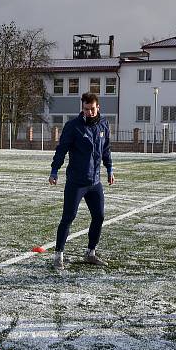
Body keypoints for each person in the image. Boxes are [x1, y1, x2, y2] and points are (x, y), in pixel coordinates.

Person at [49, 92, 114, 270]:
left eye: (92, 109)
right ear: (82, 108)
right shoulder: (73, 126)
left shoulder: (104, 125)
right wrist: (54, 171)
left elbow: (106, 149)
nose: (89, 112)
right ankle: (58, 255)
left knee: (99, 216)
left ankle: (90, 253)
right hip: (76, 182)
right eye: (86, 109)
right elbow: (61, 150)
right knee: (68, 217)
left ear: (98, 107)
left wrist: (109, 169)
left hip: (94, 183)